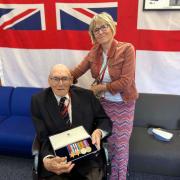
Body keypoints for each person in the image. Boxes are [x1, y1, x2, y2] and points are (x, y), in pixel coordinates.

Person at [71, 12, 138, 180]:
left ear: (112, 27)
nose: (100, 31)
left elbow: (126, 81)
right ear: (92, 34)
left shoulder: (127, 49)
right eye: (95, 30)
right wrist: (62, 80)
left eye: (103, 27)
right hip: (103, 104)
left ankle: (119, 176)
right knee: (100, 141)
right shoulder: (94, 51)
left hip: (123, 104)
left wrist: (101, 87)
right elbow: (78, 70)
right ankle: (106, 173)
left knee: (120, 147)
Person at [31, 64, 112, 180]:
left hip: (86, 157)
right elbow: (42, 136)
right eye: (55, 79)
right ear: (49, 80)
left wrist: (98, 132)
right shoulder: (38, 101)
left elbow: (103, 120)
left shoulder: (87, 96)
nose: (60, 83)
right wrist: (47, 160)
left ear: (71, 81)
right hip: (57, 158)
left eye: (64, 78)